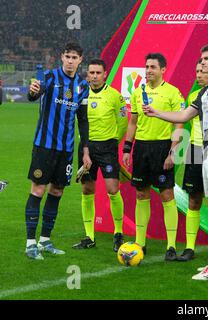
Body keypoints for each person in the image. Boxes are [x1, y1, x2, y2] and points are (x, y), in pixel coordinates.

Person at [143, 44, 208, 281]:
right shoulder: (205, 91)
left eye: (206, 58)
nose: (202, 63)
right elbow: (184, 115)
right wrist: (156, 112)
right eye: (201, 58)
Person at [25, 42, 91, 260]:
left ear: (80, 60)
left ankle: (45, 240)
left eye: (75, 57)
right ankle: (30, 243)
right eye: (68, 56)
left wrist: (85, 151)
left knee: (57, 192)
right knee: (38, 191)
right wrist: (32, 91)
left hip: (66, 150)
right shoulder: (49, 77)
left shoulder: (83, 85)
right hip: (44, 146)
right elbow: (34, 95)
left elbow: (83, 120)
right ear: (61, 57)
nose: (71, 61)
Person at [122, 53, 185, 261]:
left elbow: (179, 123)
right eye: (146, 66)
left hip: (162, 148)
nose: (148, 70)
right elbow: (132, 122)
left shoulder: (173, 93)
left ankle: (171, 246)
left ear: (163, 70)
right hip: (141, 148)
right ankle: (140, 243)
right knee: (141, 194)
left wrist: (173, 150)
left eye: (153, 67)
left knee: (167, 194)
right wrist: (127, 149)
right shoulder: (137, 93)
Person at [72, 59, 128, 252]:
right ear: (87, 74)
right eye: (91, 72)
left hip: (107, 148)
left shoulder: (115, 96)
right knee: (87, 189)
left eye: (98, 73)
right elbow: (79, 121)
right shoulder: (81, 94)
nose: (94, 76)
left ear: (105, 74)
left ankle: (118, 233)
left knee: (113, 189)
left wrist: (114, 141)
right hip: (86, 147)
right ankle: (89, 236)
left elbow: (123, 122)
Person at [177, 60, 208, 262]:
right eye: (196, 70)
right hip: (196, 151)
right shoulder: (193, 96)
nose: (198, 74)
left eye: (202, 70)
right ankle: (190, 248)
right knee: (194, 199)